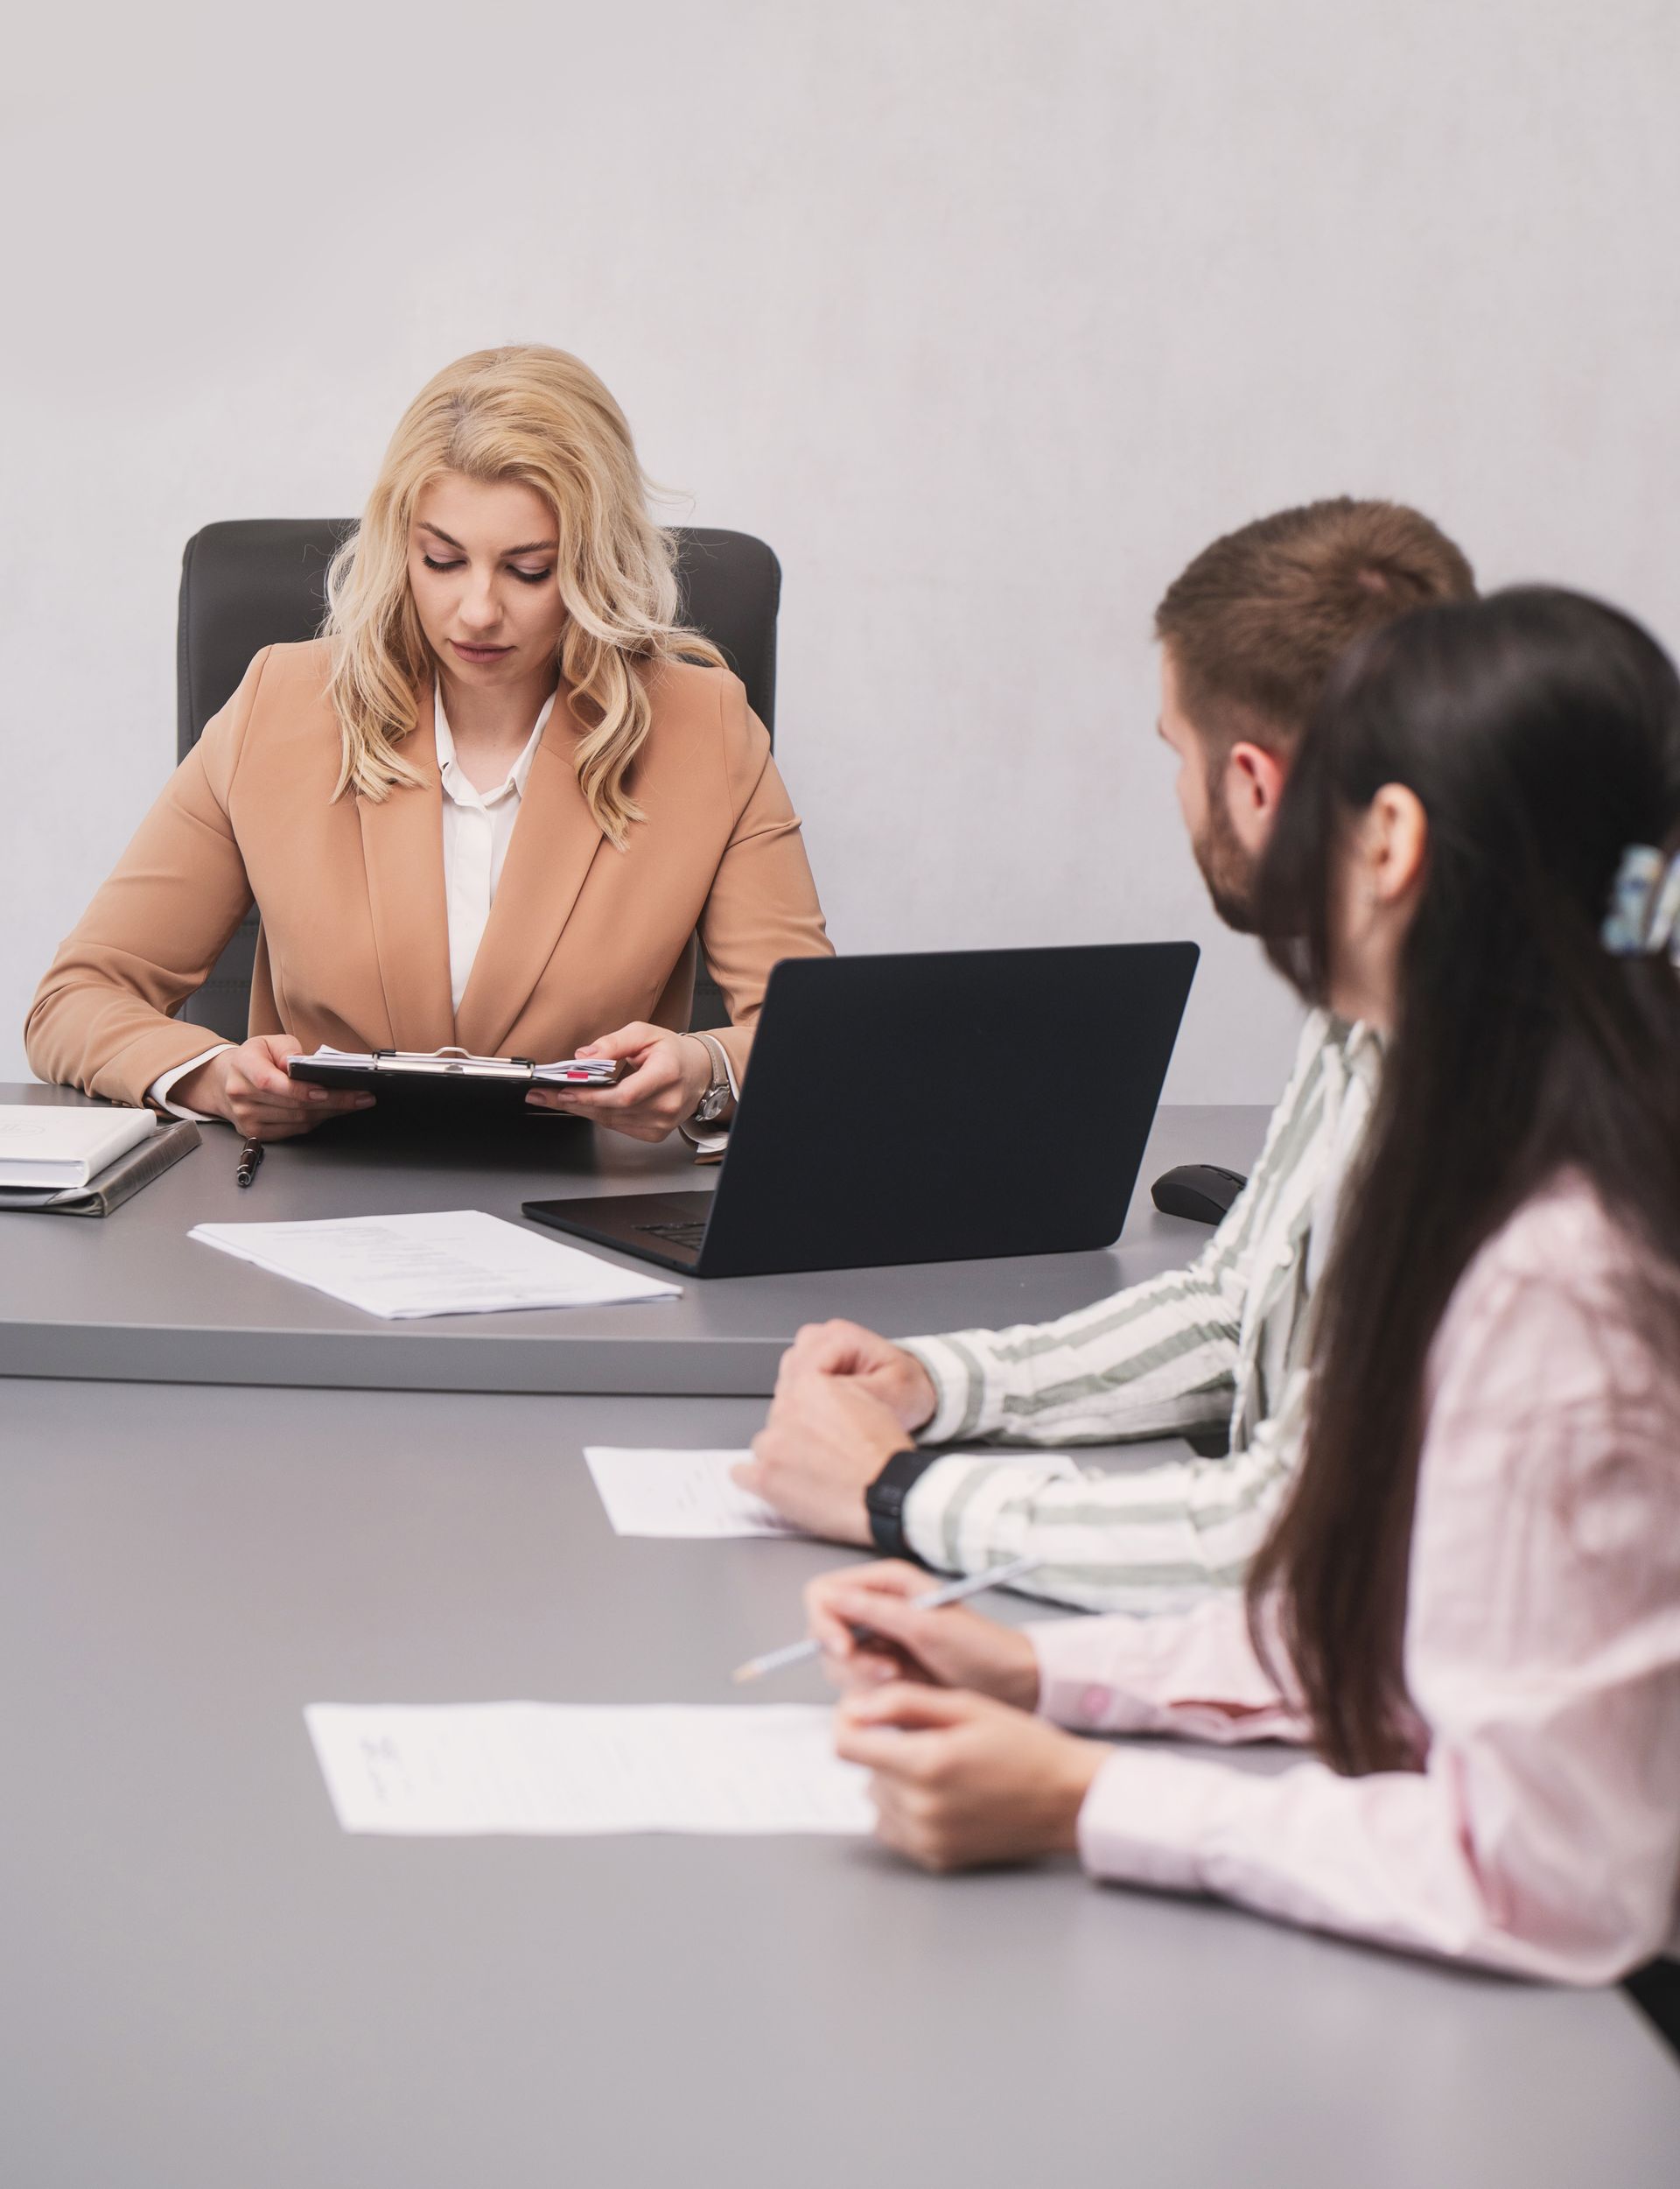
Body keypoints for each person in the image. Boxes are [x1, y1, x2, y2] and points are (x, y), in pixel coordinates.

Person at [808, 587, 1680, 1989]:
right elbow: (1415, 1626)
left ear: (1388, 841)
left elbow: (1538, 1878)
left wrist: (1088, 1797)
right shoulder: (1522, 1146)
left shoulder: (1565, 1274)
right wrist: (1045, 1675)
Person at [737, 500, 1474, 1609]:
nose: (1177, 792)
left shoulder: (1494, 1098)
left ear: (1255, 785)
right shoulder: (1376, 1002)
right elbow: (1232, 1313)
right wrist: (942, 1382)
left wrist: (899, 1496)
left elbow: (1293, 1537)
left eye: (1178, 754)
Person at [26, 345, 832, 1141]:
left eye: (528, 570)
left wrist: (706, 1071)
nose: (477, 611)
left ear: (596, 562)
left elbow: (817, 1046)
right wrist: (213, 1076)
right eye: (443, 560)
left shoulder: (705, 728)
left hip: (585, 1213)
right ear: (400, 547)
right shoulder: (281, 704)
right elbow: (77, 999)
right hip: (315, 1209)